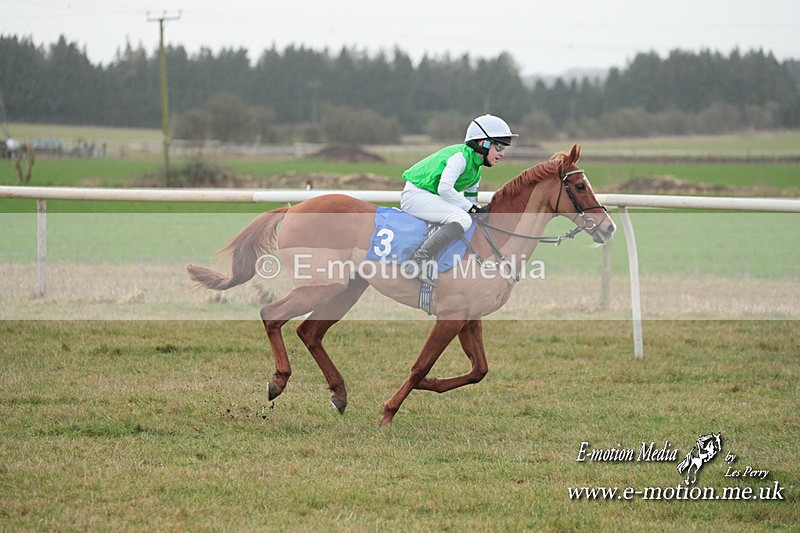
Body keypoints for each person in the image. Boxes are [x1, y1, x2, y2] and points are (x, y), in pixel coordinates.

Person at [400, 114, 518, 285]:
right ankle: (416, 262)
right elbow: (445, 188)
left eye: (504, 149)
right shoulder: (460, 158)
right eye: (499, 147)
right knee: (462, 218)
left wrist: (478, 211)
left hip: (431, 197)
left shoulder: (476, 170)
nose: (502, 153)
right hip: (416, 196)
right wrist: (472, 209)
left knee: (469, 217)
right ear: (482, 144)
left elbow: (470, 200)